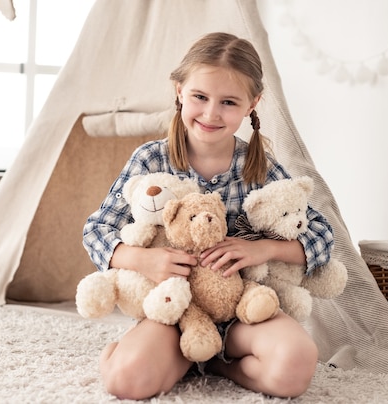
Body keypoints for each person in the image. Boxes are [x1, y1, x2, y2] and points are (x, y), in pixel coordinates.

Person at [82, 32, 334, 400]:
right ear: (179, 90)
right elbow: (97, 230)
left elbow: (322, 235)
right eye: (200, 97)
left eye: (229, 102)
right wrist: (144, 259)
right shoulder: (151, 159)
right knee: (127, 382)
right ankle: (169, 354)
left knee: (294, 368)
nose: (211, 113)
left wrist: (264, 249)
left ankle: (217, 362)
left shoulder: (260, 167)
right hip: (175, 309)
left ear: (252, 104)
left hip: (243, 310)